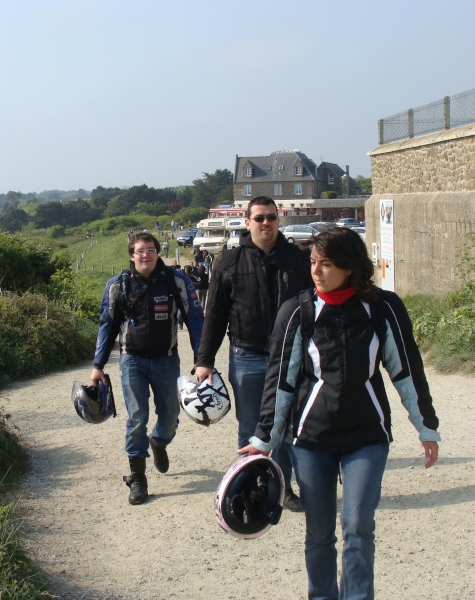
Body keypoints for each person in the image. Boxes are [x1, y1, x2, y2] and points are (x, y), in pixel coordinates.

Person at [241, 226, 441, 599]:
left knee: (358, 526)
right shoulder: (297, 311)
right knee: (319, 533)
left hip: (367, 436)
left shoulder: (382, 308)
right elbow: (280, 383)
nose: (316, 271)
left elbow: (406, 370)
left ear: (350, 266)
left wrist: (426, 426)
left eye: (327, 263)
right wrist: (264, 439)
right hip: (312, 439)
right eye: (313, 262)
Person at [194, 196, 311, 512]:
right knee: (249, 426)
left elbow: (315, 308)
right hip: (247, 356)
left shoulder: (298, 260)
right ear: (247, 222)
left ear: (278, 220)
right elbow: (215, 315)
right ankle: (250, 485)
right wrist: (204, 360)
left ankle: (282, 488)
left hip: (291, 357)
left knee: (286, 425)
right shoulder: (228, 262)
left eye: (271, 218)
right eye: (259, 218)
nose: (266, 224)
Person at [91, 232, 204, 505]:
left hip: (166, 360)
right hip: (132, 361)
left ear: (158, 252)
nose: (146, 255)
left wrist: (203, 360)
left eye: (150, 250)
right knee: (137, 416)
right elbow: (107, 326)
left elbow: (196, 320)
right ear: (132, 255)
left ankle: (159, 442)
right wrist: (98, 366)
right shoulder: (117, 285)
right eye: (140, 251)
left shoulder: (177, 281)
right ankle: (138, 478)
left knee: (171, 415)